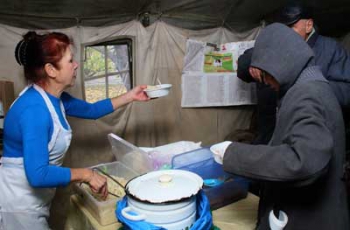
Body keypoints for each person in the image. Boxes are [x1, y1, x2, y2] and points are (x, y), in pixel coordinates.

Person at [0, 31, 150, 230]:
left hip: (34, 201)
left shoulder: (55, 97)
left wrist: (131, 96)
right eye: (70, 60)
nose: (76, 64)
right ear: (51, 70)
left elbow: (92, 110)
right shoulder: (34, 110)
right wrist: (86, 174)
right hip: (18, 206)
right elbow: (37, 174)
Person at [216, 23, 349, 229]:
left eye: (266, 73)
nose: (266, 81)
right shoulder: (312, 84)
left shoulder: (307, 96)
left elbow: (304, 160)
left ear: (282, 62)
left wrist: (232, 154)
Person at [238, 3, 350, 145]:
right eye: (283, 28)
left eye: (291, 28)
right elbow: (241, 68)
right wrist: (254, 61)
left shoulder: (331, 49)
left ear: (308, 25)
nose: (285, 33)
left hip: (308, 136)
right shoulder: (276, 43)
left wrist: (312, 90)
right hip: (269, 134)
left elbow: (347, 91)